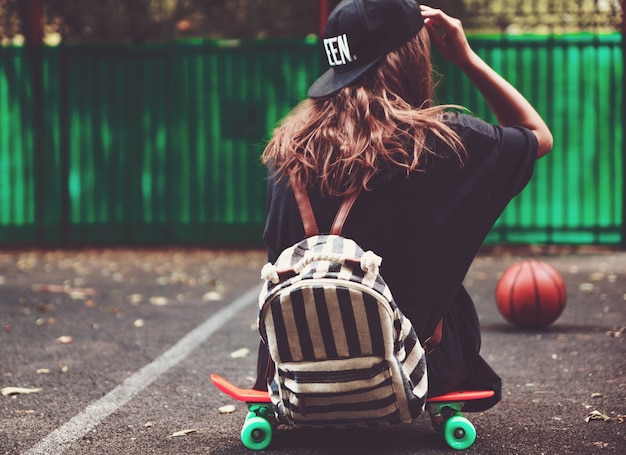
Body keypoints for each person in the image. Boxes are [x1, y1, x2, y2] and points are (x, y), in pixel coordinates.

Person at [253, 0, 552, 412]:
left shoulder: (287, 151)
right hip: (415, 373)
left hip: (296, 375)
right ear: (412, 56)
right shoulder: (445, 143)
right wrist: (465, 57)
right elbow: (537, 134)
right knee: (446, 281)